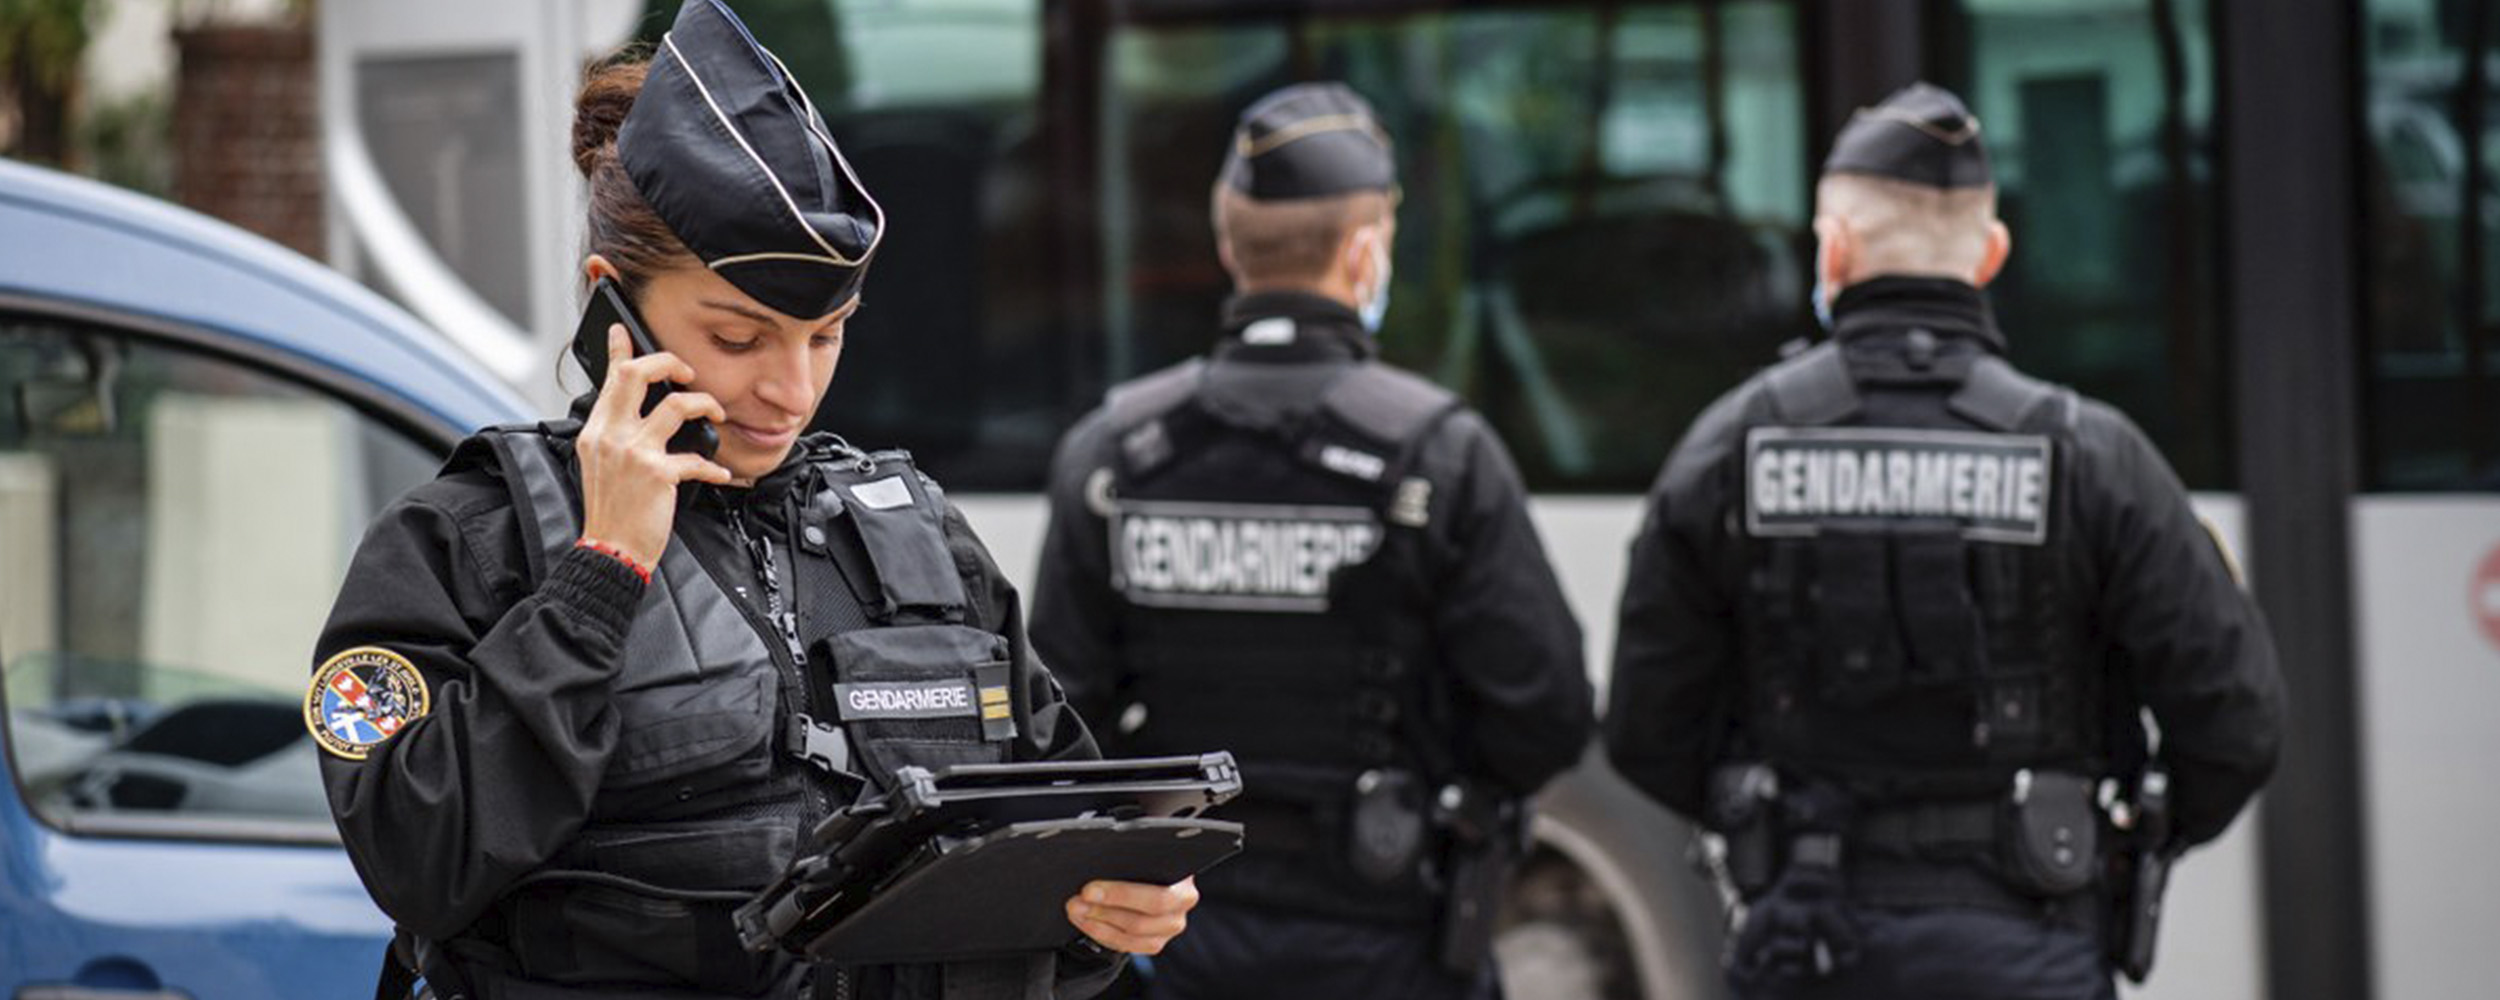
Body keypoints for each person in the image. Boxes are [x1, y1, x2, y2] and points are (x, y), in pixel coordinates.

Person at [307, 3, 1195, 997]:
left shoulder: (922, 541)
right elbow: (415, 861)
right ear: (612, 302)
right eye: (738, 338)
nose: (792, 389)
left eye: (828, 334)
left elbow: (1045, 862)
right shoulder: (466, 541)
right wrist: (599, 576)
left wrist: (1098, 922)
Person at [1604, 82, 2287, 1000]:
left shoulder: (1729, 449)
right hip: (2031, 943)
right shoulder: (2093, 456)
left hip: (1808, 943)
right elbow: (2237, 722)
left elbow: (1646, 727)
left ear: (1833, 250)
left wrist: (1762, 815)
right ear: (1991, 253)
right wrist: (2120, 841)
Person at [1029, 82, 1594, 1000]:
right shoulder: (1440, 451)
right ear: (1366, 253)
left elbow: (1058, 718)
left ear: (1230, 248)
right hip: (1390, 933)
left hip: (1178, 940)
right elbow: (1546, 711)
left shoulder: (1114, 451)